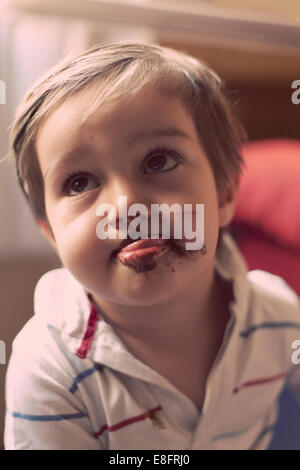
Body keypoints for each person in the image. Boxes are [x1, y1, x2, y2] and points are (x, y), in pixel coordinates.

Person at [4, 42, 300, 450]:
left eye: (158, 161)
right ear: (53, 234)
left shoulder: (279, 317)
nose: (125, 206)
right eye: (80, 182)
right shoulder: (50, 368)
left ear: (224, 192)